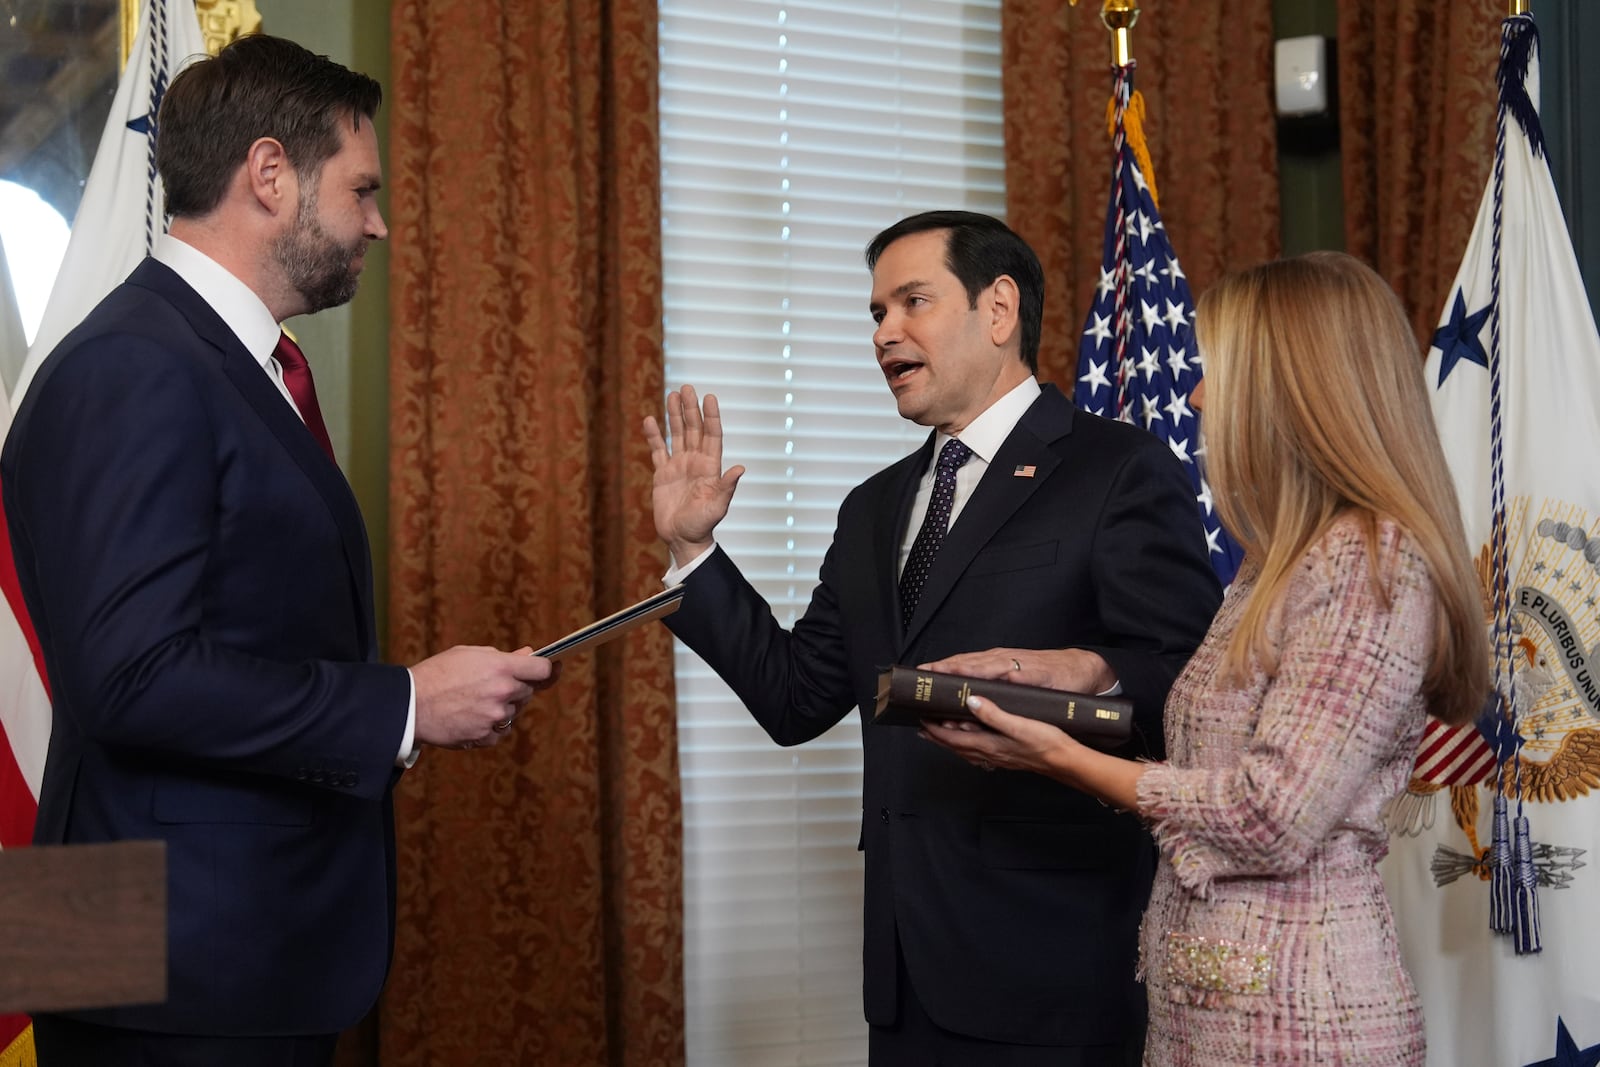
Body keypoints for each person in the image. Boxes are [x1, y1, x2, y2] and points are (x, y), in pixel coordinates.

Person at [2, 34, 555, 1066]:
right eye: (361, 190)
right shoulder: (134, 362)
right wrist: (405, 703)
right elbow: (129, 675)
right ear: (269, 175)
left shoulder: (230, 361)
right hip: (162, 966)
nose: (378, 224)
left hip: (211, 949)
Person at [645, 210, 1223, 1064]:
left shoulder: (1118, 469)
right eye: (875, 313)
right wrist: (694, 550)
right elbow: (797, 696)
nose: (885, 333)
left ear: (999, 310)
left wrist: (1083, 677)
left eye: (911, 301)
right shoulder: (874, 505)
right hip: (905, 978)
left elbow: (1189, 686)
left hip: (1059, 969)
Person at [923, 251, 1492, 1065]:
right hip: (1205, 1014)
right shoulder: (1275, 561)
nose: (1195, 394)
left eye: (1217, 369)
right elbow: (1211, 759)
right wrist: (1070, 677)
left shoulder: (1372, 562)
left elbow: (1271, 814)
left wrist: (1065, 759)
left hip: (1304, 1022)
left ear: (1292, 387)